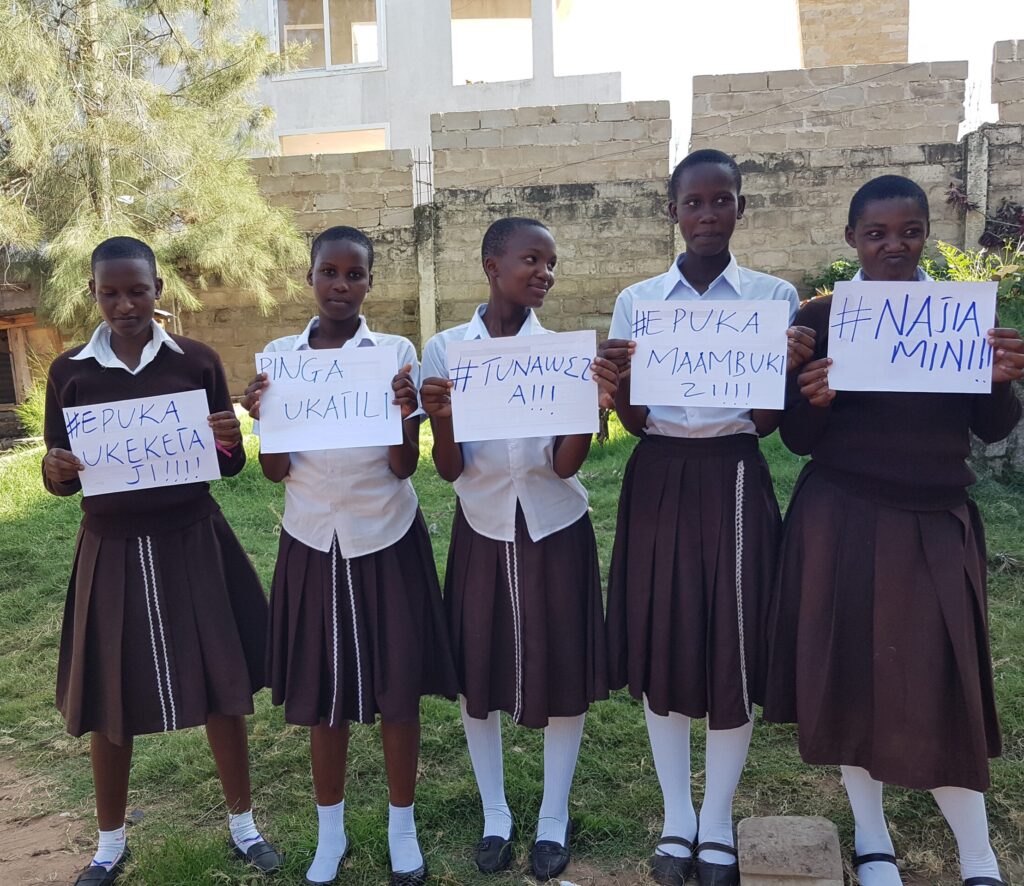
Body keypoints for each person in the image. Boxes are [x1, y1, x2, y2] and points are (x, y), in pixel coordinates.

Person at [763, 175, 1024, 886]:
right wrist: (810, 393)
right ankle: (873, 840)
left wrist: (1002, 378)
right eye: (876, 233)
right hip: (842, 518)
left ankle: (977, 854)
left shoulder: (958, 317)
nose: (893, 246)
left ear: (927, 234)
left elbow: (991, 427)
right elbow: (798, 441)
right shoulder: (821, 316)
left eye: (909, 231)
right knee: (849, 677)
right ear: (852, 238)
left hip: (935, 519)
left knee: (946, 685)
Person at [600, 150, 813, 886]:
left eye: (722, 201)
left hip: (732, 472)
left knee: (734, 640)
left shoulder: (771, 299)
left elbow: (765, 422)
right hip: (659, 471)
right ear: (673, 212)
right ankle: (675, 818)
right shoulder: (639, 302)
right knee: (665, 637)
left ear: (740, 209)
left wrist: (782, 369)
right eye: (694, 203)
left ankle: (717, 819)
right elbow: (632, 418)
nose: (708, 215)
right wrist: (617, 384)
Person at [42, 236, 280, 886]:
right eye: (110, 291)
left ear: (158, 292)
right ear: (93, 294)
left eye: (137, 290)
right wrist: (54, 468)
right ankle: (110, 843)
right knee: (110, 695)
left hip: (192, 538)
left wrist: (232, 443)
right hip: (110, 548)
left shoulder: (196, 361)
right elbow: (61, 473)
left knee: (221, 685)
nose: (124, 303)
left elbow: (225, 465)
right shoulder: (71, 373)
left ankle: (244, 826)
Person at [242, 225, 457, 886]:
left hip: (385, 534)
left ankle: (402, 829)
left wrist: (401, 412)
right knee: (322, 695)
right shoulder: (280, 356)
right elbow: (274, 472)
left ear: (370, 281)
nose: (341, 286)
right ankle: (328, 834)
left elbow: (401, 468)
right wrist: (262, 416)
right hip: (312, 539)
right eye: (329, 273)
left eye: (354, 274)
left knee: (397, 691)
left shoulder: (393, 352)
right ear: (309, 279)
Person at [419, 217, 616, 881]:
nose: (544, 274)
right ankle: (496, 812)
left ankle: (554, 817)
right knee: (481, 675)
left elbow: (563, 467)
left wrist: (587, 411)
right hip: (482, 525)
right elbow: (448, 470)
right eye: (532, 259)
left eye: (552, 264)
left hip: (554, 527)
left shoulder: (560, 354)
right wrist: (441, 421)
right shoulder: (446, 350)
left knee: (563, 673)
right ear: (490, 265)